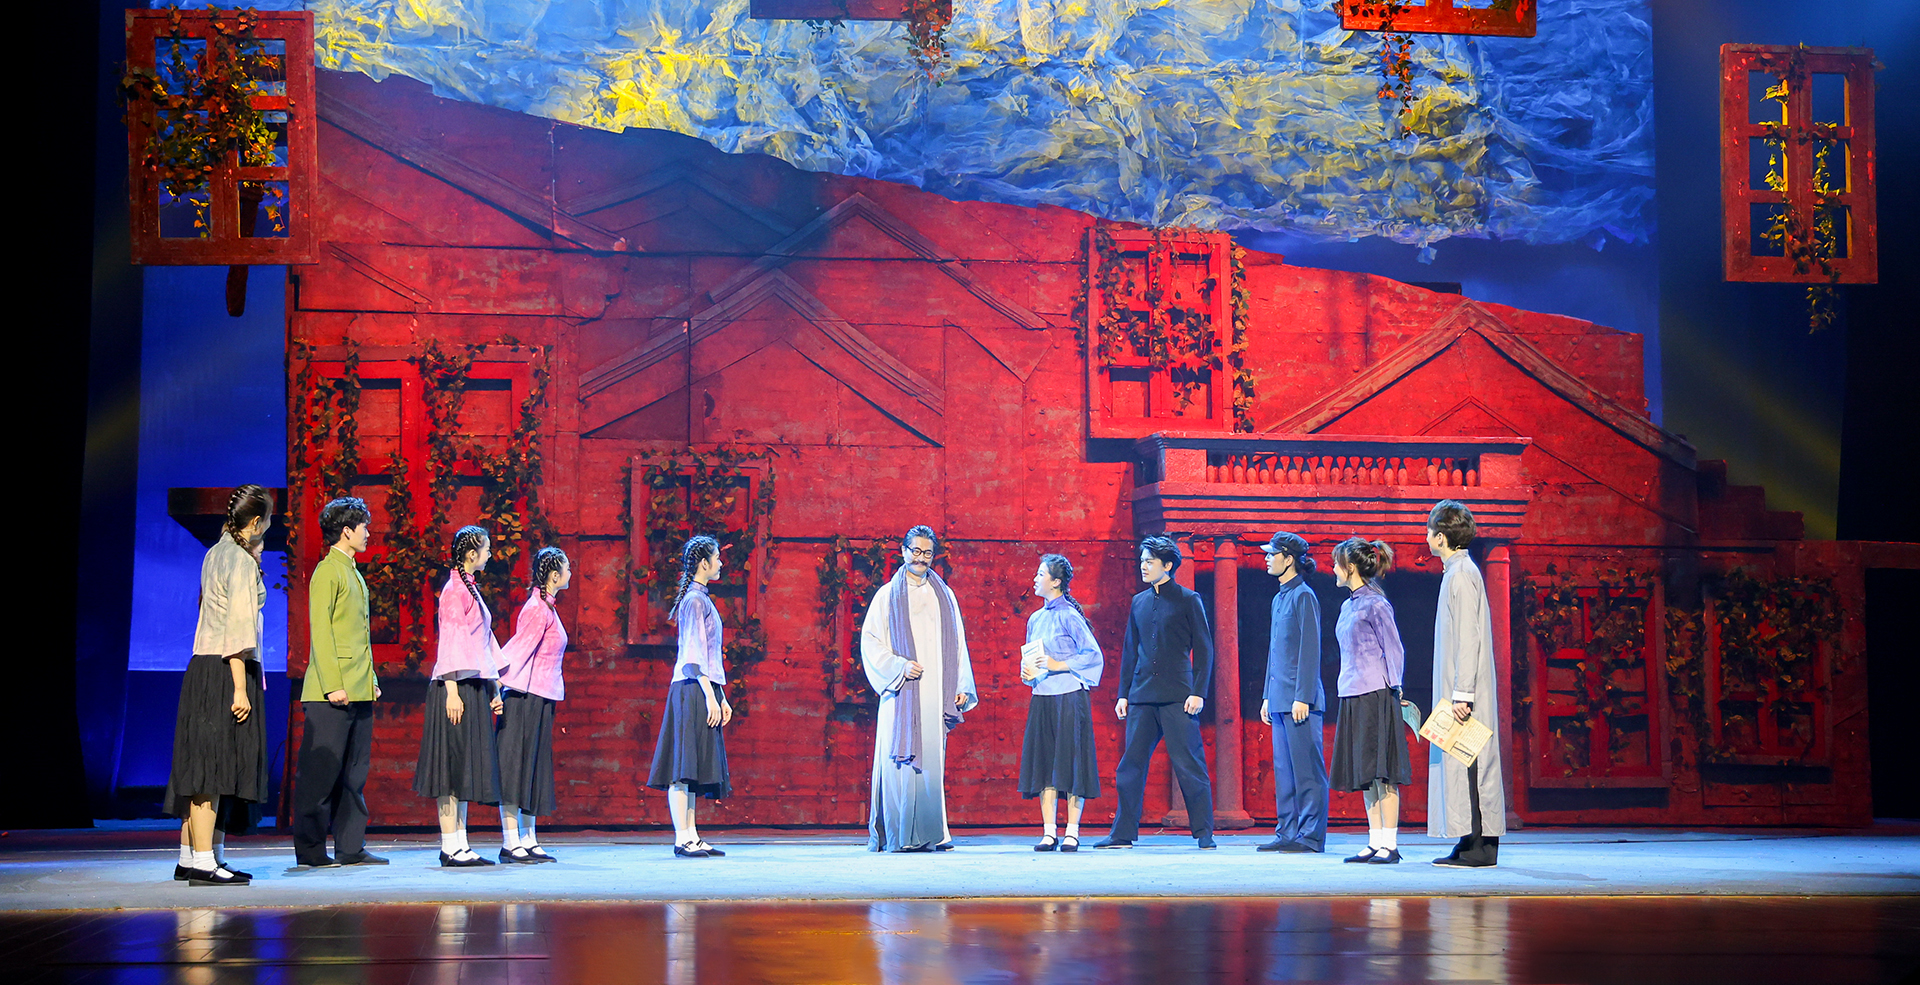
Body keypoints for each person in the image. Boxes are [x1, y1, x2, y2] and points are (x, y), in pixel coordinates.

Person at [164, 485, 274, 886]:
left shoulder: (215, 552)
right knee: (214, 768)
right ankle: (205, 863)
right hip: (227, 669)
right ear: (256, 522)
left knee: (205, 765)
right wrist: (240, 689)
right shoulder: (239, 560)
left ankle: (192, 856)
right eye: (267, 521)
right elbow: (238, 632)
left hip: (202, 666)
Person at [861, 525, 979, 852]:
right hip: (900, 692)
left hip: (935, 693)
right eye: (915, 551)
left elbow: (958, 644)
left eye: (927, 553)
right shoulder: (887, 596)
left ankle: (933, 833)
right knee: (900, 765)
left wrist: (960, 686)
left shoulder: (945, 596)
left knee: (931, 765)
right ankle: (901, 835)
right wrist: (899, 666)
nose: (921, 558)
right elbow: (870, 643)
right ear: (903, 551)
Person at [1096, 535, 1216, 850]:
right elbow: (1129, 651)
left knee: (1189, 764)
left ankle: (1204, 832)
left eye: (1149, 562)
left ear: (1168, 565)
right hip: (1142, 695)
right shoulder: (1138, 601)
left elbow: (1204, 649)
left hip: (1179, 695)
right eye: (1142, 561)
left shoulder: (1189, 599)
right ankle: (1122, 834)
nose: (1143, 566)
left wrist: (1199, 692)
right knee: (1130, 766)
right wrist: (1123, 694)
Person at [292, 496, 386, 869]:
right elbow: (322, 632)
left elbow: (359, 635)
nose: (368, 533)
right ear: (346, 531)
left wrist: (371, 679)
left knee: (354, 774)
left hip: (359, 687)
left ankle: (350, 846)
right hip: (331, 691)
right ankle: (311, 850)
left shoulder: (353, 572)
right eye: (363, 527)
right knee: (320, 775)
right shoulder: (327, 571)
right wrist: (333, 684)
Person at [414, 525, 505, 868]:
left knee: (463, 767)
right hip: (454, 687)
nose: (490, 554)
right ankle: (449, 845)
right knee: (450, 770)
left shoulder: (470, 589)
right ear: (471, 554)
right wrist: (452, 691)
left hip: (472, 684)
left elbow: (483, 642)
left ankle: (461, 843)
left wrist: (493, 686)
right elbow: (450, 641)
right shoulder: (454, 591)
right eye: (486, 549)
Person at [1426, 500, 1507, 868]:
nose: (1427, 537)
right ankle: (1467, 840)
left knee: (1470, 761)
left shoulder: (1461, 574)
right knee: (1462, 759)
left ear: (1441, 537)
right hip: (1459, 687)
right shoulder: (1457, 572)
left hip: (1464, 692)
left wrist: (1463, 693)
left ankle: (1481, 846)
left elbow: (1468, 638)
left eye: (1430, 531)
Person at [648, 535, 735, 858]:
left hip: (701, 688)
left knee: (692, 766)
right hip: (689, 689)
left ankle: (693, 835)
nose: (720, 563)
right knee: (682, 767)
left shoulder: (701, 599)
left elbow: (711, 658)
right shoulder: (694, 601)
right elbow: (693, 656)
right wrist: (710, 696)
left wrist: (720, 696)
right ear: (704, 563)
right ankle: (682, 837)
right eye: (717, 557)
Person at [1328, 537, 1413, 864]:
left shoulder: (1376, 604)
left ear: (1350, 568)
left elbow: (1394, 648)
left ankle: (1390, 844)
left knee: (1382, 772)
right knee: (1366, 773)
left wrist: (1396, 687)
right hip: (1351, 692)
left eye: (1337, 564)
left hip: (1376, 692)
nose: (1333, 569)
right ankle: (1375, 840)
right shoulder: (1347, 605)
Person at [1017, 553, 1103, 852]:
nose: (1035, 579)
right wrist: (1027, 672)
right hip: (1042, 696)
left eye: (1041, 574)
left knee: (1072, 762)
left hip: (1069, 695)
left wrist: (1059, 664)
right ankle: (1049, 831)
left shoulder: (1069, 615)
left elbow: (1092, 655)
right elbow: (1032, 658)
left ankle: (1073, 831)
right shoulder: (1035, 618)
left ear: (1055, 582)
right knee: (1046, 764)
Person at [496, 546, 571, 864]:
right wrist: (496, 687)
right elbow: (517, 651)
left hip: (541, 698)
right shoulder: (537, 610)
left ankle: (529, 838)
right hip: (523, 699)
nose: (570, 573)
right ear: (554, 575)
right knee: (515, 768)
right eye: (567, 568)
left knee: (533, 768)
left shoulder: (548, 608)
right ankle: (510, 842)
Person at [1256, 531, 1327, 854]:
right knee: (1284, 770)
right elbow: (1275, 650)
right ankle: (1287, 831)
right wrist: (1267, 695)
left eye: (1272, 554)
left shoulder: (1304, 596)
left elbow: (1310, 649)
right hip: (1280, 696)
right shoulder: (1279, 598)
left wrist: (1304, 696)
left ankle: (1310, 835)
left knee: (1307, 770)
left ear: (1289, 559)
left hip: (1300, 700)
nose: (1267, 559)